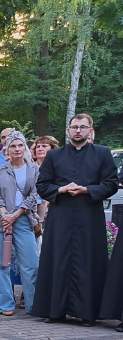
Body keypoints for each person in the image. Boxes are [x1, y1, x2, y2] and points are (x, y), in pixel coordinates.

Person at [32, 113, 120, 325]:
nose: (78, 131)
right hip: (60, 216)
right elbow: (42, 185)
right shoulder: (54, 156)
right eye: (74, 127)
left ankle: (88, 313)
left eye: (82, 127)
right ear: (68, 130)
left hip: (89, 216)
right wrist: (61, 189)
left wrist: (87, 190)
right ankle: (55, 310)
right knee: (58, 260)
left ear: (90, 130)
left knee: (88, 261)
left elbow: (111, 184)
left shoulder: (102, 153)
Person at [0, 131, 40, 316]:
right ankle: (5, 304)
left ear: (25, 147)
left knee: (31, 263)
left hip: (23, 218)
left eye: (20, 145)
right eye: (13, 146)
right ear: (6, 150)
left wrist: (16, 214)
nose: (17, 149)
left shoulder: (34, 169)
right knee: (1, 264)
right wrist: (5, 215)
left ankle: (34, 305)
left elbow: (35, 194)